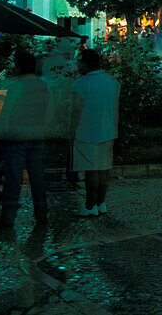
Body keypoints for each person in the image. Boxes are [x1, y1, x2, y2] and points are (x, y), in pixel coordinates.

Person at [0, 51, 50, 229]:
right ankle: (41, 214)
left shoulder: (17, 86)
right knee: (37, 177)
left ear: (19, 67)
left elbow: (7, 112)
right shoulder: (43, 86)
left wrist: (3, 131)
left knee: (13, 178)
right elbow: (49, 110)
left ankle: (8, 217)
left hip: (17, 137)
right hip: (37, 135)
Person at [70, 49, 121, 217]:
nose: (77, 66)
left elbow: (76, 108)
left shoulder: (81, 84)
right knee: (104, 169)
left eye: (79, 63)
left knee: (91, 171)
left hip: (87, 131)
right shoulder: (112, 81)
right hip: (108, 130)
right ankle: (101, 203)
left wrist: (71, 129)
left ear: (85, 64)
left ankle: (90, 205)